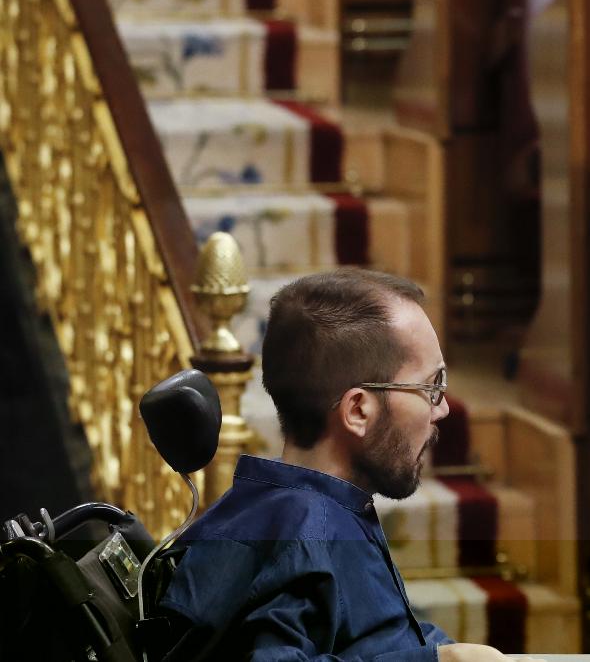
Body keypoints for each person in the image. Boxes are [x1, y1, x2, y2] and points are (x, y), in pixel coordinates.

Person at [157, 269, 537, 662]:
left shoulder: (293, 510)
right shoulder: (306, 534)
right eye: (431, 386)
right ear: (357, 410)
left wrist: (446, 651)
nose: (441, 409)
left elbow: (372, 638)